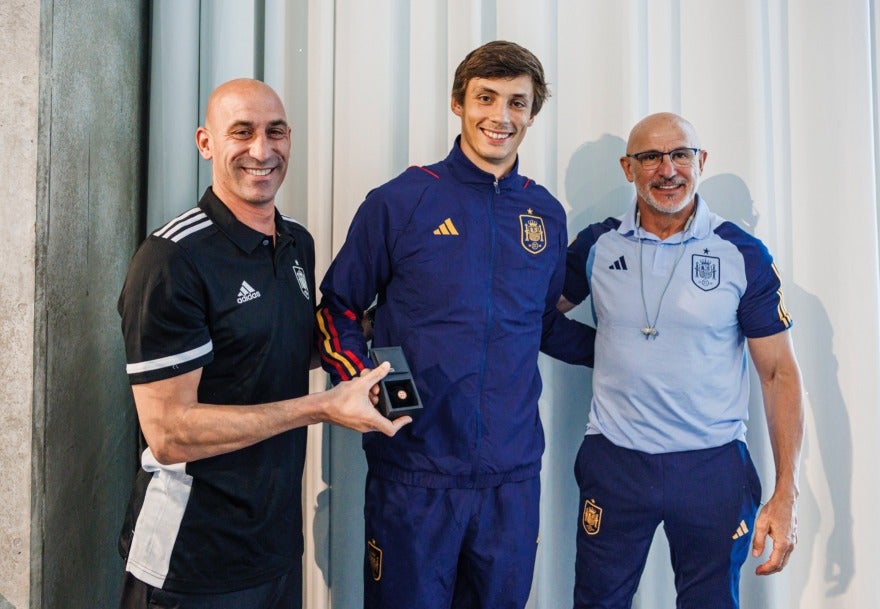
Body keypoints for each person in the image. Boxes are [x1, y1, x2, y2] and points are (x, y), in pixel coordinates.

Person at [316, 41, 595, 609]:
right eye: (485, 98)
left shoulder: (545, 214)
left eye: (517, 102)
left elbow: (538, 323)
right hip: (414, 472)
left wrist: (627, 348)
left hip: (511, 478)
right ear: (457, 104)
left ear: (532, 113)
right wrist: (377, 391)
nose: (501, 116)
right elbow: (337, 309)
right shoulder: (401, 201)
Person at [116, 78, 410, 609]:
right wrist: (323, 407)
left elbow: (280, 345)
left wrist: (397, 318)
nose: (262, 150)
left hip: (273, 551)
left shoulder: (296, 242)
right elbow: (169, 434)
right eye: (242, 133)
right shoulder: (171, 260)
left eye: (275, 132)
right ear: (206, 142)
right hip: (191, 562)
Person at [559, 112, 804, 609]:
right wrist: (598, 350)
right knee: (597, 602)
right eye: (650, 157)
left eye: (680, 154)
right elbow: (533, 316)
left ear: (701, 161)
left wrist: (786, 492)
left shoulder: (741, 252)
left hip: (712, 466)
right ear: (628, 168)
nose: (667, 169)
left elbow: (778, 373)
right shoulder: (597, 245)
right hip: (616, 460)